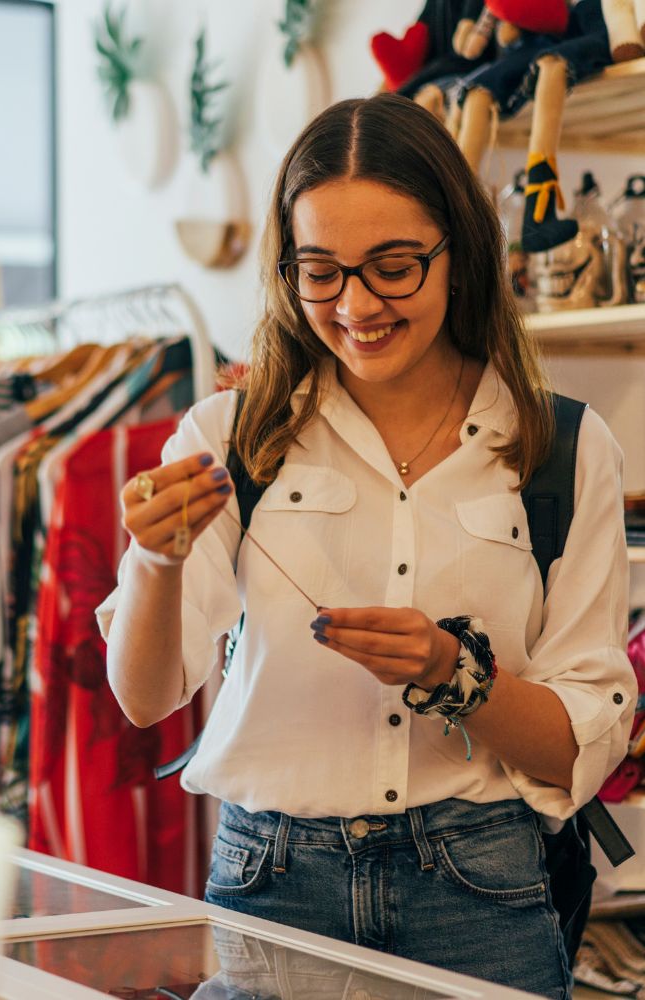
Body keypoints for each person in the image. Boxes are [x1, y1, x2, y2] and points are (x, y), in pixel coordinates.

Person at [96, 93, 635, 999]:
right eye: (321, 272)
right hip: (273, 890)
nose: (355, 305)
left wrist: (453, 674)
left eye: (393, 267)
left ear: (459, 254)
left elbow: (581, 744)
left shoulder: (564, 449)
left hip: (478, 889)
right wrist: (156, 562)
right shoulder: (229, 436)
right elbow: (145, 698)